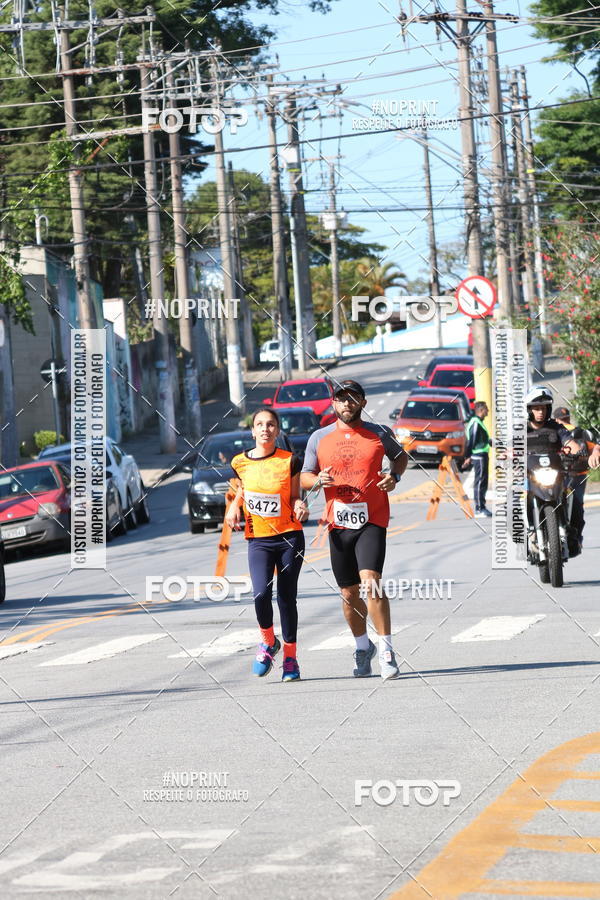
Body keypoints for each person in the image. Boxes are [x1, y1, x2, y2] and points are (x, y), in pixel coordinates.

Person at [300, 380, 408, 680]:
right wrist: (318, 480)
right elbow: (305, 477)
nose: (347, 403)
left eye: (353, 398)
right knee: (348, 594)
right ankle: (363, 647)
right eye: (341, 399)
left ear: (363, 402)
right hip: (338, 524)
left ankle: (387, 650)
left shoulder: (379, 433)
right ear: (333, 404)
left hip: (372, 519)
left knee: (371, 582)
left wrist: (393, 477)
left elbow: (400, 458)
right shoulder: (319, 438)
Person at [226, 408, 308, 682]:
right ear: (252, 431)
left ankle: (291, 659)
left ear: (277, 430)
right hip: (258, 539)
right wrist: (234, 507)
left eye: (270, 425)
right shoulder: (240, 462)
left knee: (286, 598)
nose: (265, 429)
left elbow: (296, 496)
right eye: (260, 424)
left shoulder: (289, 461)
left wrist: (299, 505)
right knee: (260, 593)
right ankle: (269, 641)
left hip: (289, 537)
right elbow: (242, 488)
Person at [527, 388, 600, 556]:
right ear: (529, 409)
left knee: (574, 500)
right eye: (537, 408)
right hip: (530, 477)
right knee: (514, 498)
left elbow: (571, 443)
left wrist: (577, 451)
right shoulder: (522, 430)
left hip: (554, 475)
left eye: (544, 408)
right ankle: (525, 534)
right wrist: (505, 453)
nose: (540, 412)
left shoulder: (557, 428)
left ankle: (572, 536)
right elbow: (508, 447)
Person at [552, 405, 600, 552]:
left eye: (566, 419)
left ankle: (576, 540)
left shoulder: (580, 433)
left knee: (577, 507)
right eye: (562, 420)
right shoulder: (551, 433)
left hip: (577, 476)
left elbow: (596, 445)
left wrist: (595, 454)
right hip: (555, 476)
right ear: (555, 420)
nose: (565, 422)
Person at [462, 401, 492, 518]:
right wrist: (467, 457)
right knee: (480, 481)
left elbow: (482, 440)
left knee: (483, 481)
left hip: (482, 454)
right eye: (486, 409)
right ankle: (479, 508)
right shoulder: (475, 422)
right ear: (481, 410)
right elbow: (471, 441)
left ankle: (482, 506)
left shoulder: (479, 422)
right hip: (478, 456)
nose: (488, 411)